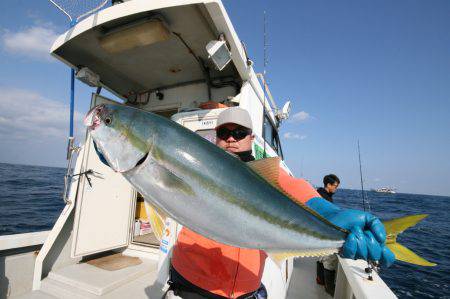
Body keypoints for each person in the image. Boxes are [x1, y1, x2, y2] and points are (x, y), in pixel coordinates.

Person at [167, 107, 267, 299]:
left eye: (239, 133)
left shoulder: (266, 177)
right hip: (193, 281)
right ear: (216, 138)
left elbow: (296, 189)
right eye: (224, 133)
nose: (231, 139)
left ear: (251, 138)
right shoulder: (198, 163)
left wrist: (324, 208)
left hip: (246, 287)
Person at [316, 174, 341, 296]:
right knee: (330, 258)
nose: (336, 189)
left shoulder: (318, 194)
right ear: (328, 185)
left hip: (317, 232)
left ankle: (320, 279)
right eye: (335, 186)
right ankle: (329, 288)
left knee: (321, 256)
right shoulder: (326, 199)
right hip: (324, 233)